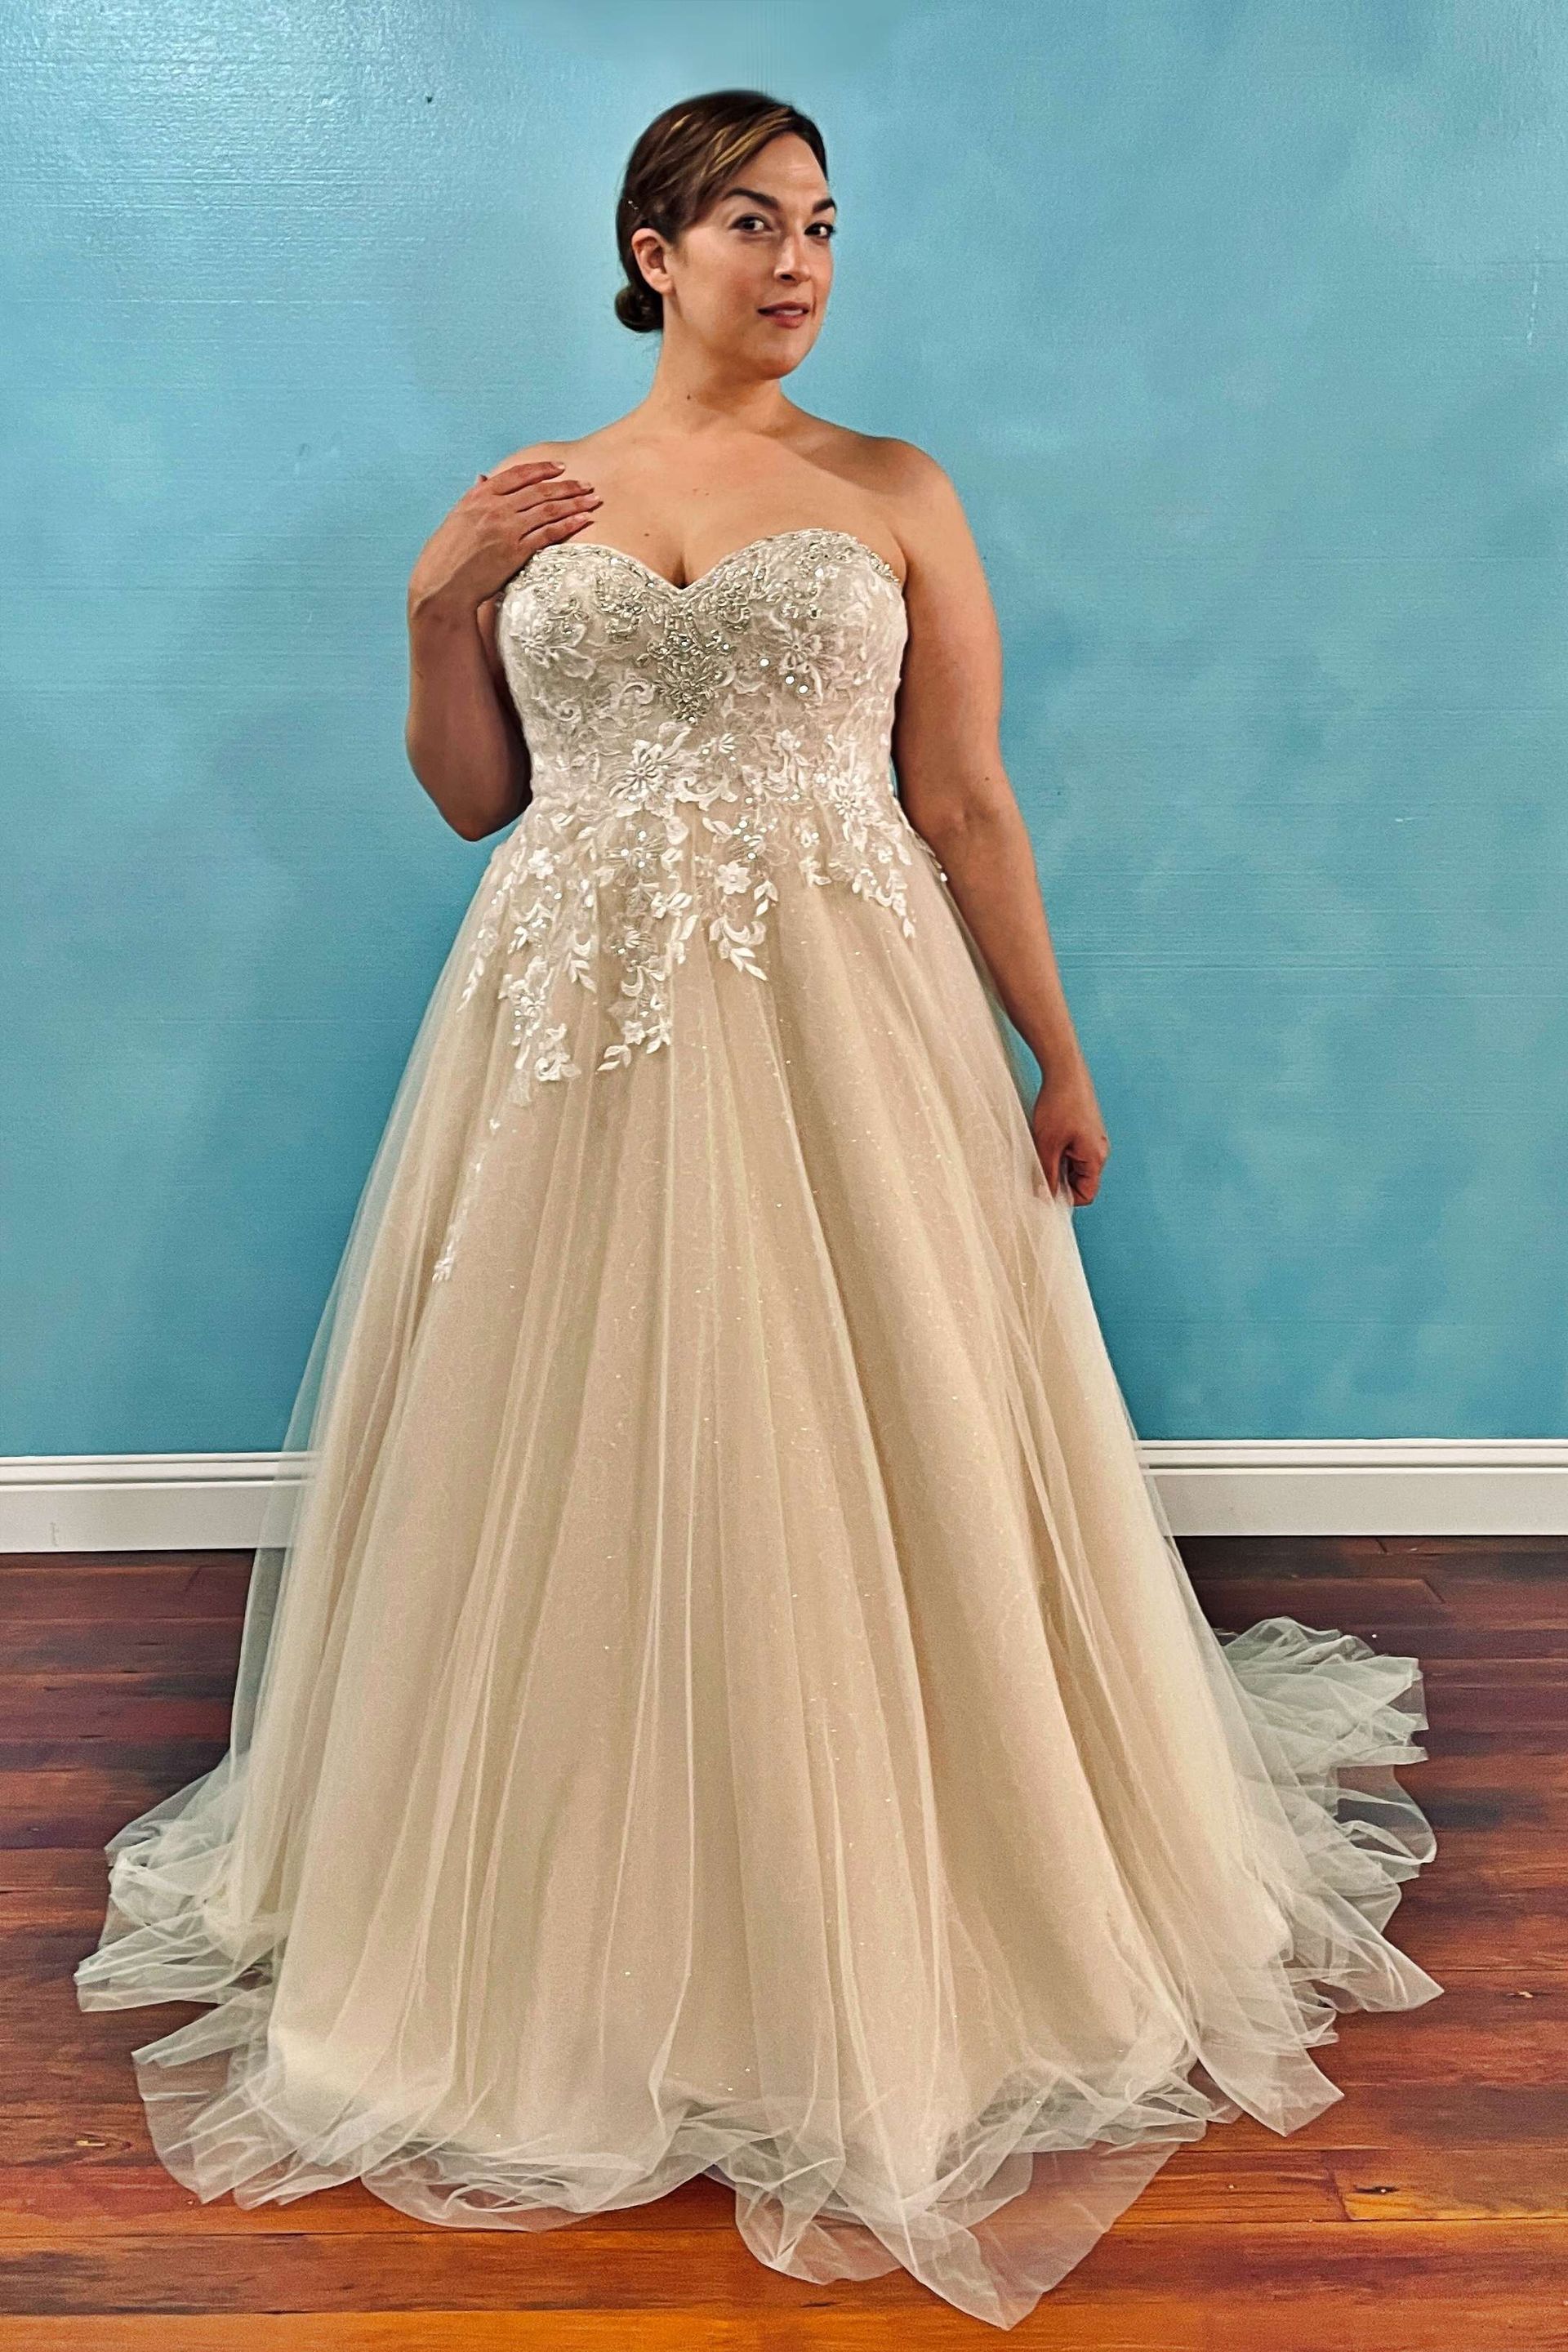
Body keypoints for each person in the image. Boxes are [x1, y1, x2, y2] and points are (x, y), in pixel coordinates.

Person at [74, 87, 1442, 2332]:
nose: (797, 262)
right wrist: (436, 601)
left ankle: (881, 1907)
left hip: (842, 1013)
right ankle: (563, 1923)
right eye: (747, 222)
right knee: (567, 1441)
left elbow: (962, 792)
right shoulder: (542, 497)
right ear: (654, 250)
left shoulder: (893, 490)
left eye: (821, 225)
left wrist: (1057, 1051)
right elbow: (474, 798)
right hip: (570, 1024)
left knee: (856, 1429)